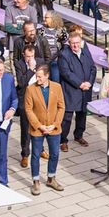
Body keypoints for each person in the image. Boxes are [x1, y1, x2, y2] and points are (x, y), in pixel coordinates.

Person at [24, 64, 66, 195]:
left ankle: (51, 178)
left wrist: (55, 124)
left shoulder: (57, 87)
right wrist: (39, 125)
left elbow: (61, 107)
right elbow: (28, 110)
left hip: (53, 128)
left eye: (40, 77)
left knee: (55, 154)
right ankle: (36, 181)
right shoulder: (30, 89)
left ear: (47, 76)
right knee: (36, 155)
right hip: (38, 128)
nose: (38, 79)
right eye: (37, 76)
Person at [58, 33, 96, 151]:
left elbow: (93, 68)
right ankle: (63, 140)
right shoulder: (64, 55)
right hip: (71, 91)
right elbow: (66, 73)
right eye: (73, 43)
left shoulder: (85, 52)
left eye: (77, 43)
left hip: (85, 91)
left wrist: (90, 82)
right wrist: (80, 84)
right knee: (67, 118)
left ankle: (79, 136)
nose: (75, 45)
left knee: (82, 115)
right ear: (69, 43)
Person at [15, 46, 46, 168]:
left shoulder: (40, 62)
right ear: (23, 55)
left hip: (39, 99)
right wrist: (31, 69)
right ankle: (25, 154)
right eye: (27, 56)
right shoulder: (19, 64)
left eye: (32, 56)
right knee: (26, 129)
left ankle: (41, 149)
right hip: (25, 99)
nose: (30, 59)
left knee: (40, 126)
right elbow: (21, 83)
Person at [40, 12, 68, 81]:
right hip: (44, 59)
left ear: (53, 19)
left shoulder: (60, 30)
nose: (44, 19)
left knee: (55, 79)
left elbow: (64, 42)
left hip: (55, 60)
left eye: (46, 18)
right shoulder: (42, 30)